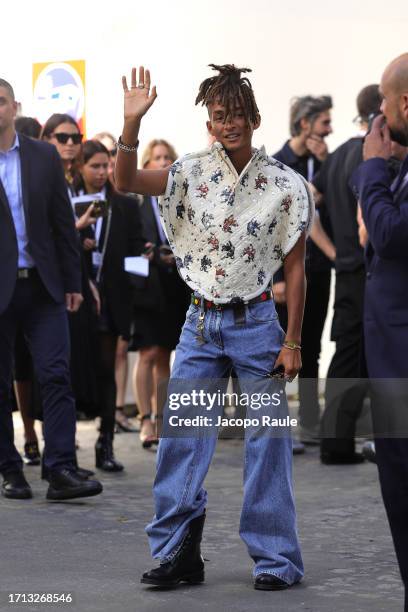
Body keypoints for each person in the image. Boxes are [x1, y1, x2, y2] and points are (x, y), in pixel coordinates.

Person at [115, 64, 313, 591]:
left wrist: (293, 341)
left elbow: (296, 270)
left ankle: (275, 560)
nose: (230, 124)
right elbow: (126, 180)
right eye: (219, 116)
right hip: (199, 326)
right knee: (181, 439)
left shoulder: (285, 185)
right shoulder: (189, 173)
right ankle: (179, 553)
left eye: (238, 115)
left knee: (268, 441)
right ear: (209, 121)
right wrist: (131, 126)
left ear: (254, 117)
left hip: (259, 327)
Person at [0, 78, 102, 500]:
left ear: (14, 106)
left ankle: (60, 468)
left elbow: (63, 222)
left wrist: (72, 281)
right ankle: (9, 469)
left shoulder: (42, 156)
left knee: (56, 375)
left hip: (44, 287)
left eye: (1, 101)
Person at [350, 53, 408, 610]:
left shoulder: (383, 164)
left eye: (384, 106)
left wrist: (372, 168)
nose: (381, 119)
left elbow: (391, 235)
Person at [313, 85, 382, 464]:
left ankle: (336, 442)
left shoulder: (338, 155)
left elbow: (308, 201)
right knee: (356, 356)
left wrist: (332, 253)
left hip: (348, 270)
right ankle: (336, 444)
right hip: (367, 270)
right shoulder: (372, 157)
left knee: (348, 353)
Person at [77, 139, 145, 469]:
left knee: (107, 369)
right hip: (74, 296)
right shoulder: (68, 200)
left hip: (111, 302)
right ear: (80, 167)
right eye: (96, 166)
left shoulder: (126, 205)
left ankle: (106, 443)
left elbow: (137, 254)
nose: (103, 172)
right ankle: (59, 445)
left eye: (107, 166)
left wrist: (130, 288)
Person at [273, 95, 334, 451]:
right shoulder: (279, 164)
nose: (330, 129)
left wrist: (325, 165)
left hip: (319, 270)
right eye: (324, 122)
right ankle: (279, 429)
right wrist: (277, 278)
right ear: (304, 123)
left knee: (311, 349)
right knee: (281, 349)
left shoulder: (323, 162)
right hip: (286, 272)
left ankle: (309, 424)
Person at [130, 139, 190, 448]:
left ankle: (165, 419)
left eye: (168, 157)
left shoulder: (180, 199)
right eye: (157, 158)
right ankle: (146, 418)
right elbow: (128, 250)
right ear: (147, 163)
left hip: (174, 286)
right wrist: (150, 257)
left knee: (167, 352)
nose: (163, 162)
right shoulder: (137, 202)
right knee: (148, 353)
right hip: (146, 288)